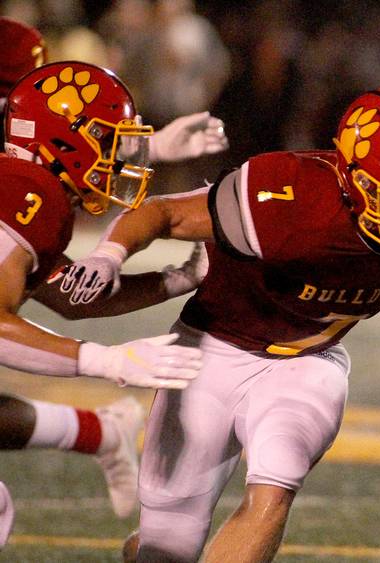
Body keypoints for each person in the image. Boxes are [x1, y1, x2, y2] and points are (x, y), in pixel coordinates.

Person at [62, 86, 380, 562]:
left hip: (309, 361)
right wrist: (107, 255)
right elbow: (163, 212)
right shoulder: (291, 196)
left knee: (274, 486)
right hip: (212, 349)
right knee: (165, 547)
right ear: (353, 182)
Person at [0, 16, 226, 530]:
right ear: (64, 142)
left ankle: (98, 431)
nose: (114, 157)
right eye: (108, 140)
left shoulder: (23, 186)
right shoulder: (25, 194)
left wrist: (177, 277)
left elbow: (72, 295)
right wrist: (104, 360)